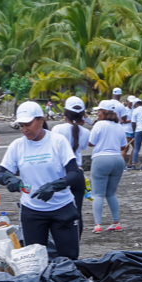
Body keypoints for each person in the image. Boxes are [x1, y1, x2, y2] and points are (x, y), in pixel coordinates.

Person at [0, 102, 81, 260]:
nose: (24, 130)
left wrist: (55, 186)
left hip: (62, 208)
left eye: (28, 124)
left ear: (41, 120)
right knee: (34, 260)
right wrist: (9, 179)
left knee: (69, 259)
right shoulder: (17, 146)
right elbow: (0, 174)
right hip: (32, 211)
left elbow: (74, 173)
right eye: (21, 126)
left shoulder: (57, 141)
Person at [52, 96, 90, 237]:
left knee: (58, 209)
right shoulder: (85, 132)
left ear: (65, 112)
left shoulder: (57, 129)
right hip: (78, 173)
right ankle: (76, 242)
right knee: (77, 211)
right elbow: (84, 146)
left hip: (61, 174)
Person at [88, 100, 128, 233]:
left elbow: (91, 143)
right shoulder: (119, 126)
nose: (97, 113)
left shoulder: (99, 125)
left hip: (101, 159)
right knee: (111, 193)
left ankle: (98, 224)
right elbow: (123, 146)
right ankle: (116, 222)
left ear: (103, 112)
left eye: (99, 111)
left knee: (98, 194)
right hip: (117, 159)